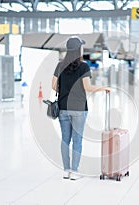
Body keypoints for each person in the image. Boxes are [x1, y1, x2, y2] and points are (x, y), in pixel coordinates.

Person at [52, 36, 110, 180]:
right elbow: (87, 87)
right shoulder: (83, 66)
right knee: (77, 140)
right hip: (78, 108)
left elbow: (53, 86)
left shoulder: (60, 65)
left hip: (63, 107)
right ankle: (75, 171)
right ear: (79, 50)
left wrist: (65, 88)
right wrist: (103, 87)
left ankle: (66, 170)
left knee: (65, 139)